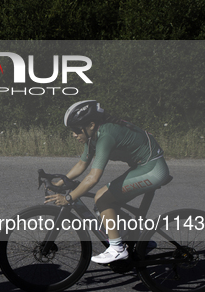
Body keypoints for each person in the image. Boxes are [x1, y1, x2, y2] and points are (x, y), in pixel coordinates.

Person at [45, 100, 170, 264]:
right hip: (142, 166)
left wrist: (69, 198)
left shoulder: (105, 136)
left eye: (76, 130)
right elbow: (82, 163)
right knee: (102, 202)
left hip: (153, 169)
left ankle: (117, 248)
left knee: (102, 198)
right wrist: (59, 183)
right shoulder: (92, 135)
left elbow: (93, 178)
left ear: (91, 124)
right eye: (72, 131)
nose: (74, 135)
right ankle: (138, 240)